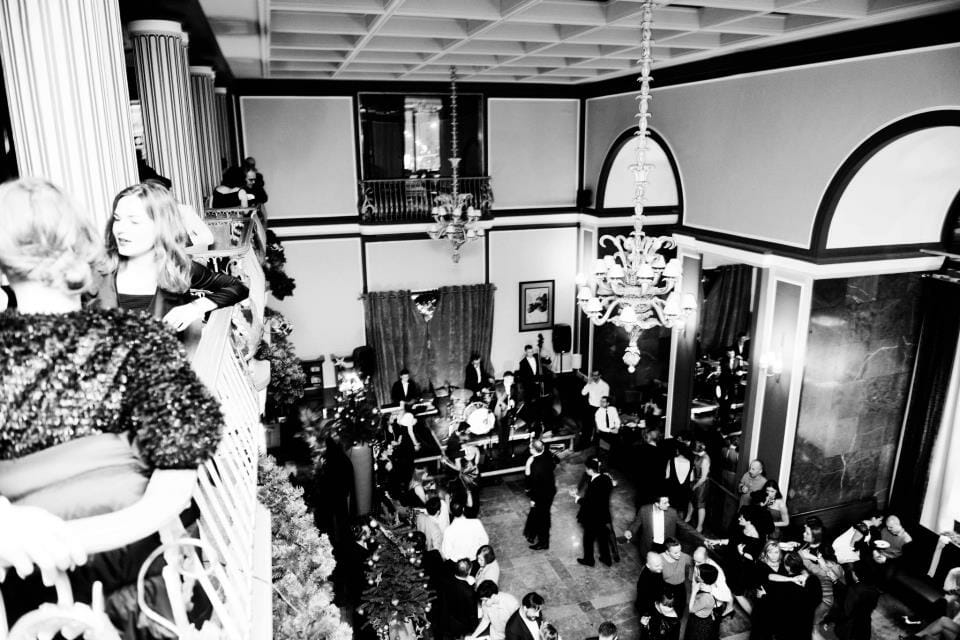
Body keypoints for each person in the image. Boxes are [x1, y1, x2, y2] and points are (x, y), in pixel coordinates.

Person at [0, 178, 224, 632]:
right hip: (141, 592)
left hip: (27, 598)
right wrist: (78, 538)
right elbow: (174, 485)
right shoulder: (138, 342)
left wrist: (15, 529)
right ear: (82, 247)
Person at [89, 181, 249, 332]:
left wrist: (195, 307)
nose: (120, 229)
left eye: (134, 222)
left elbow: (237, 287)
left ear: (161, 227)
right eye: (117, 219)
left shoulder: (177, 268)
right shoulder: (97, 271)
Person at [625, 494, 694, 559]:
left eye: (668, 502)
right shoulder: (644, 510)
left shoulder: (672, 512)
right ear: (657, 504)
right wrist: (630, 531)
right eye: (665, 503)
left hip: (665, 546)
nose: (668, 504)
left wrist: (700, 537)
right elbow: (636, 523)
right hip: (649, 546)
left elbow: (685, 526)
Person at [574, 457, 614, 567]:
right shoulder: (606, 478)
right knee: (602, 538)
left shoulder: (594, 484)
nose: (585, 470)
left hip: (592, 516)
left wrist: (577, 498)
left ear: (591, 470)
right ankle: (606, 559)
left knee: (588, 539)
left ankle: (589, 560)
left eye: (586, 468)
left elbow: (589, 502)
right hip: (603, 514)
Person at [524, 439, 556, 550]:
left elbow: (534, 484)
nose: (529, 449)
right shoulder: (547, 455)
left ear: (533, 450)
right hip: (550, 491)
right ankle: (533, 534)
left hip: (541, 495)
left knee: (542, 518)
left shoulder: (534, 465)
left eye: (530, 447)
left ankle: (543, 542)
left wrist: (533, 499)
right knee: (543, 515)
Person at [437, 558, 479, 640]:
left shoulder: (447, 580)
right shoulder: (469, 592)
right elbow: (472, 613)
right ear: (469, 571)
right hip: (462, 624)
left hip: (447, 618)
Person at [686, 563, 722, 640]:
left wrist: (694, 592)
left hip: (699, 622)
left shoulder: (705, 597)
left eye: (698, 575)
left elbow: (690, 609)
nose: (696, 576)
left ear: (704, 579)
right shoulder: (708, 586)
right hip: (703, 614)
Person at [660, 538, 692, 612]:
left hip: (680, 586)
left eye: (680, 551)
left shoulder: (684, 557)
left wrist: (691, 575)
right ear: (667, 552)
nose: (679, 554)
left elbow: (694, 562)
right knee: (666, 609)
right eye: (676, 553)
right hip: (666, 586)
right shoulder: (659, 559)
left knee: (681, 606)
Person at [580, 370, 610, 446]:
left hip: (599, 408)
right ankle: (585, 443)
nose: (594, 377)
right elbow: (583, 393)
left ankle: (596, 444)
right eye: (593, 375)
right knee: (586, 427)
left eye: (596, 375)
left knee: (598, 429)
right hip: (590, 408)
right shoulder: (590, 384)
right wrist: (588, 384)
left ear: (600, 376)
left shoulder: (605, 386)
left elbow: (605, 400)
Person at [664, 440, 693, 519]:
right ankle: (680, 525)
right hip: (684, 490)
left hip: (672, 489)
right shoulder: (690, 463)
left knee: (671, 510)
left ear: (678, 450)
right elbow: (691, 479)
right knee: (681, 511)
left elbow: (667, 476)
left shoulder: (671, 461)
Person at [688, 440, 711, 532]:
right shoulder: (698, 456)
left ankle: (699, 526)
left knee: (700, 504)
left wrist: (695, 486)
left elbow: (703, 478)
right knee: (691, 500)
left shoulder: (705, 459)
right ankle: (688, 517)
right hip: (695, 480)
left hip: (702, 484)